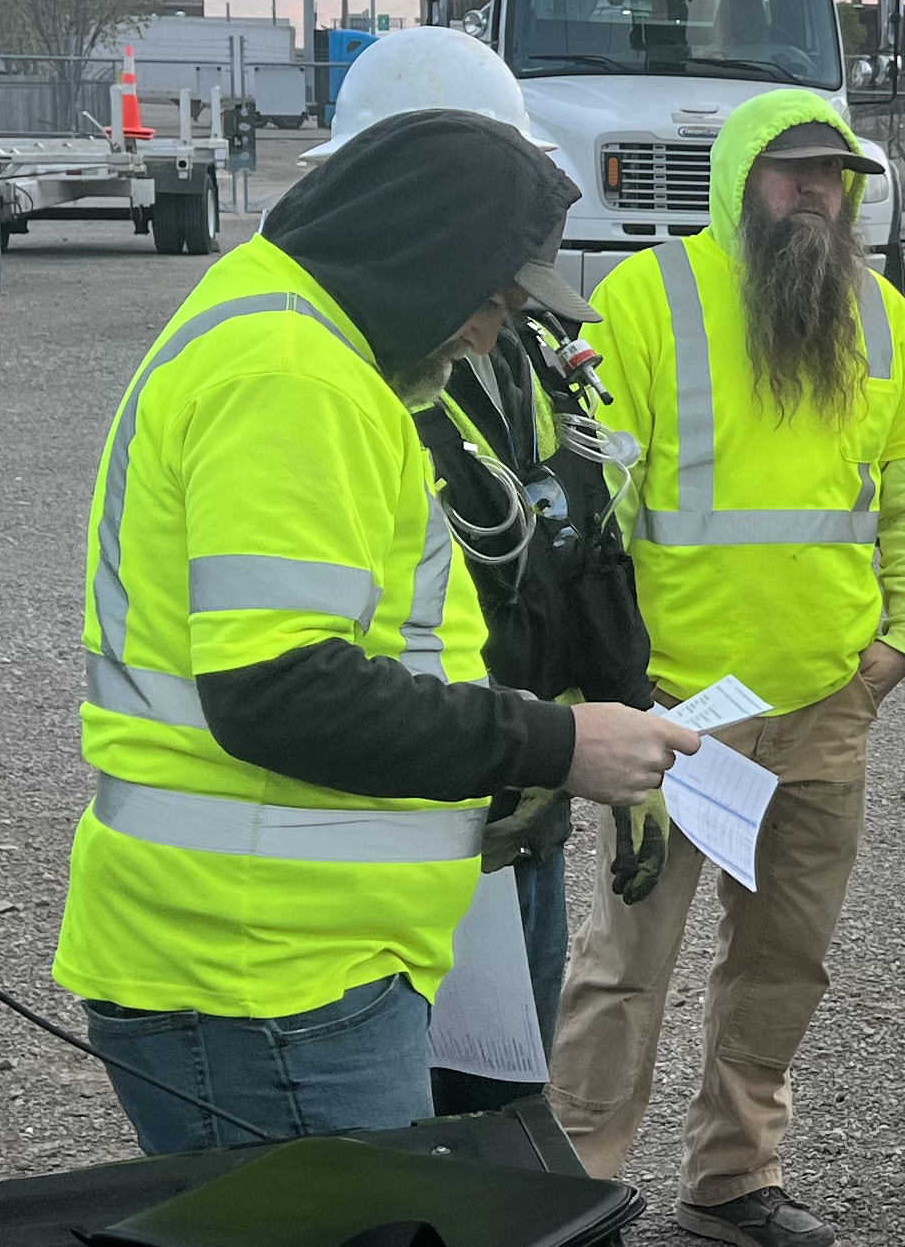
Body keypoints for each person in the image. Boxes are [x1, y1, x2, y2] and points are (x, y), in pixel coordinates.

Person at [51, 101, 698, 1155]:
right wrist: (561, 745)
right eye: (487, 300)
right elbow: (279, 689)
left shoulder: (294, 337)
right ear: (422, 252)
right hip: (266, 978)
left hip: (286, 960)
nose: (490, 333)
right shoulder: (292, 376)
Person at [550, 91, 905, 1247]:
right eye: (790, 171)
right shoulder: (646, 299)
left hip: (828, 704)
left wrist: (900, 642)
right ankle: (582, 1193)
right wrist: (606, 687)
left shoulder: (881, 318)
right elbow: (589, 510)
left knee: (785, 963)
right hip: (675, 714)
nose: (815, 191)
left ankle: (733, 1180)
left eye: (835, 173)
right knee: (627, 967)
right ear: (739, 181)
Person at [306, 29, 666, 1120]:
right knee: (431, 1141)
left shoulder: (517, 348)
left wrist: (617, 715)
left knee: (504, 1117)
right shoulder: (347, 380)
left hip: (524, 811)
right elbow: (305, 676)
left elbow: (581, 549)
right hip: (421, 827)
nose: (498, 303)